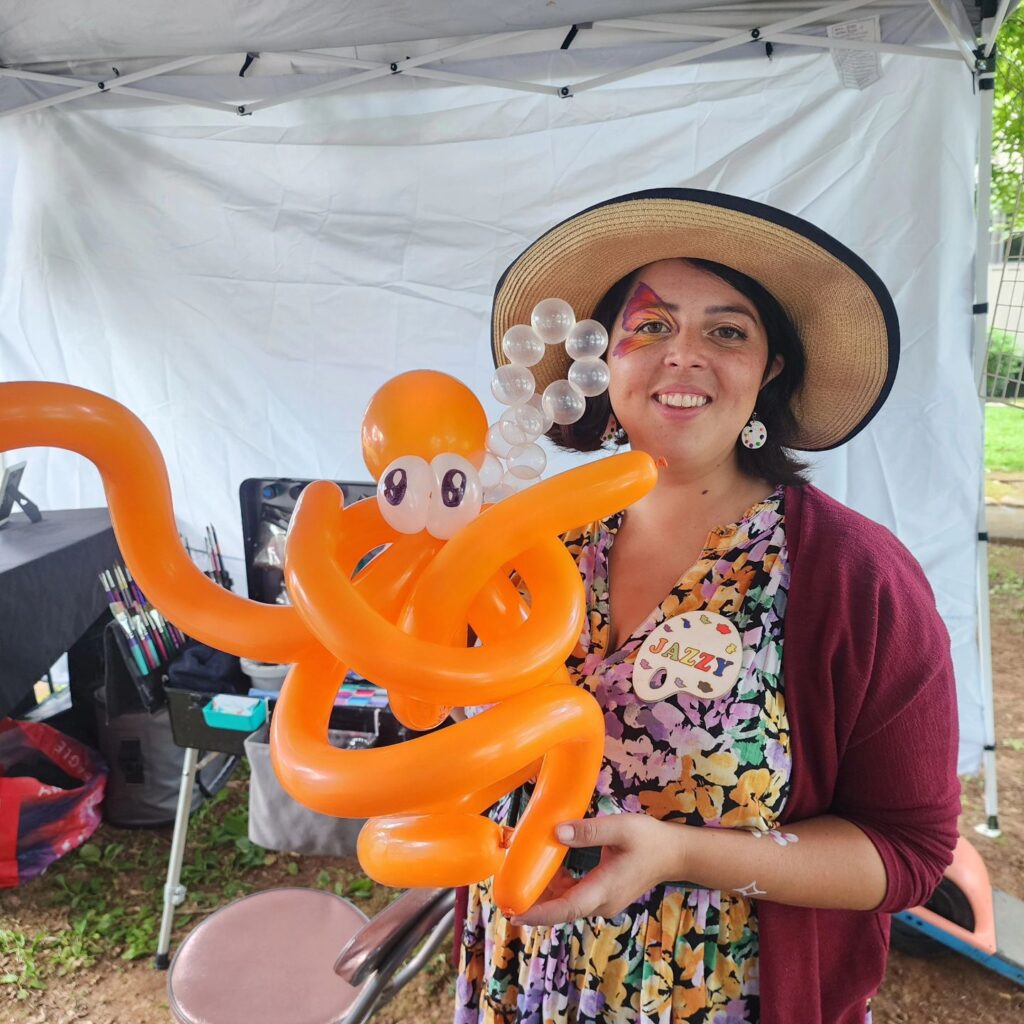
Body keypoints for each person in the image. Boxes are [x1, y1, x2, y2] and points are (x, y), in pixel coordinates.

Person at [454, 189, 961, 1024]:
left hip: (711, 994)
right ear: (600, 360)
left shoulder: (853, 577)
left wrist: (681, 853)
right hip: (522, 973)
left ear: (771, 371)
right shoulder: (528, 546)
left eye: (726, 331)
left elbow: (908, 853)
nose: (681, 356)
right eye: (649, 327)